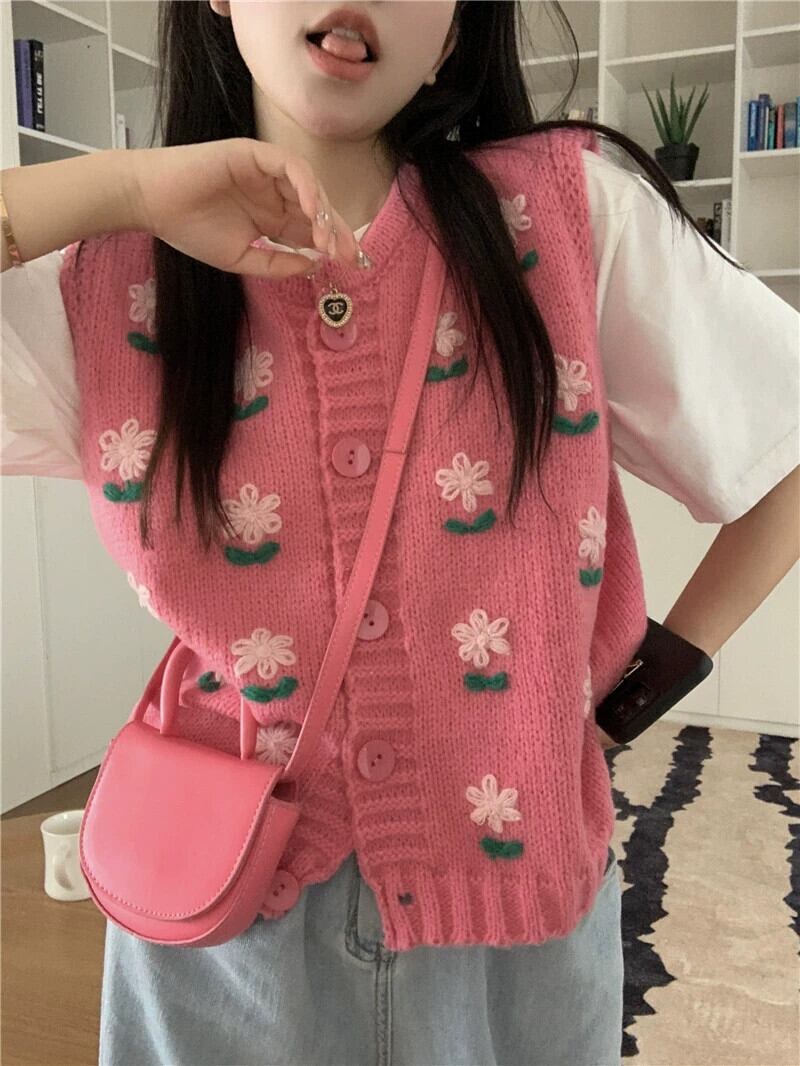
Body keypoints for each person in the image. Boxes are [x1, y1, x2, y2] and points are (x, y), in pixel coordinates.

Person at [2, 3, 798, 1065]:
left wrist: (623, 704)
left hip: (519, 929)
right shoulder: (102, 277)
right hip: (224, 924)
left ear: (457, 32)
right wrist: (125, 189)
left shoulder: (566, 217)